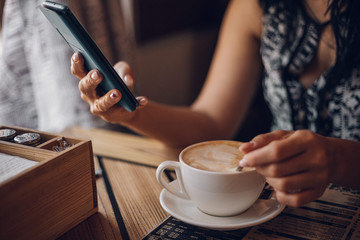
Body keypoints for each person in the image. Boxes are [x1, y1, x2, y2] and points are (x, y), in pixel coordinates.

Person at [71, 0, 360, 207]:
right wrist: (130, 114)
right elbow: (211, 121)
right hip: (278, 210)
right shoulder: (253, 7)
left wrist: (338, 159)